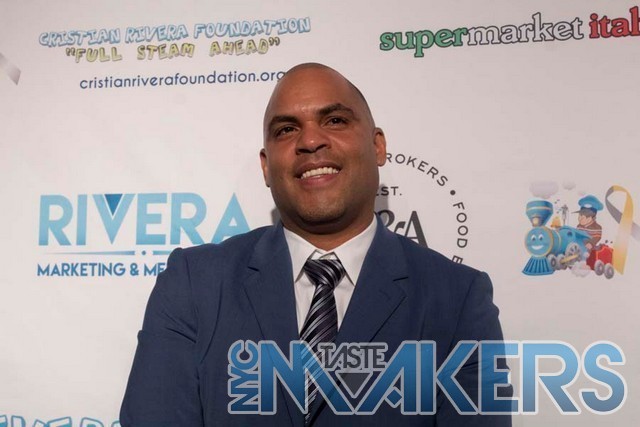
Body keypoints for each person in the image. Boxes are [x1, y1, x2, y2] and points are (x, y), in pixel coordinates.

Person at [120, 63, 511, 426]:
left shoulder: (457, 297)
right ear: (265, 166)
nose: (310, 140)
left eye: (335, 120)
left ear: (377, 146)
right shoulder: (194, 283)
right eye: (286, 130)